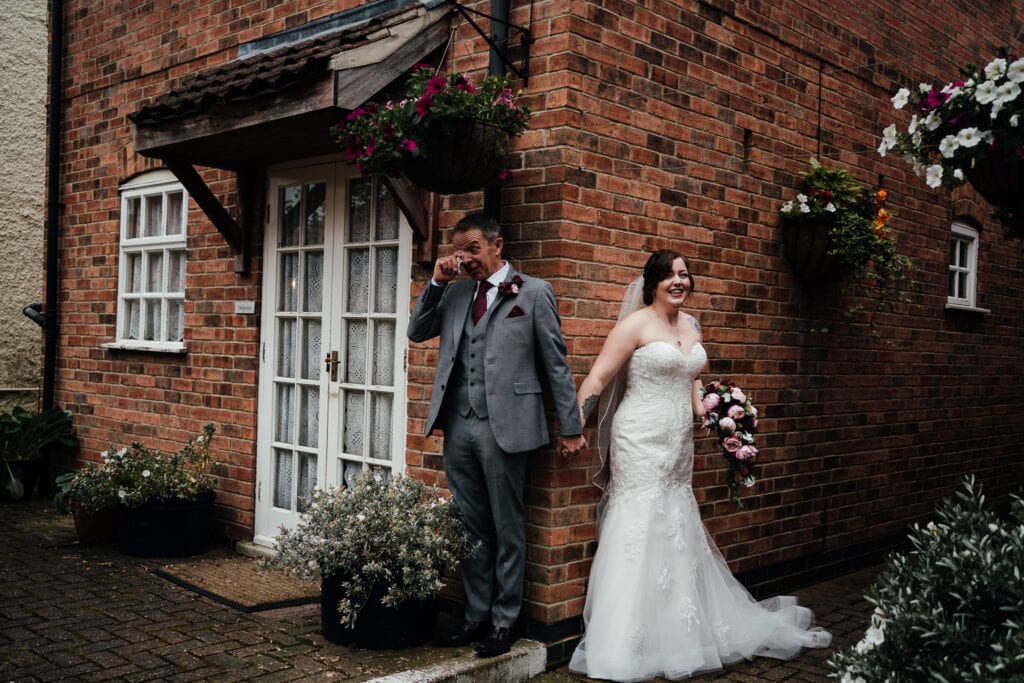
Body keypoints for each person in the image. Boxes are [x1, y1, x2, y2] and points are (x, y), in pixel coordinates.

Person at [568, 249, 831, 681]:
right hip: (639, 439)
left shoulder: (691, 326)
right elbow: (597, 379)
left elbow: (689, 374)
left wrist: (706, 410)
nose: (679, 282)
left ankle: (680, 632)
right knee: (639, 523)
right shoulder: (633, 326)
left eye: (685, 275)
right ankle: (625, 642)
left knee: (675, 522)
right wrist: (573, 427)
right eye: (670, 275)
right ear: (652, 282)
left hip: (678, 444)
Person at [407, 212, 586, 657]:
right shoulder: (456, 291)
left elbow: (556, 365)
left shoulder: (535, 293)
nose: (463, 257)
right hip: (459, 423)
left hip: (506, 427)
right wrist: (435, 281)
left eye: (472, 248)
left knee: (507, 525)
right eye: (459, 249)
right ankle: (474, 616)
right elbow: (416, 332)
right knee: (471, 524)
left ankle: (505, 622)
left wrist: (571, 426)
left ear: (496, 245)